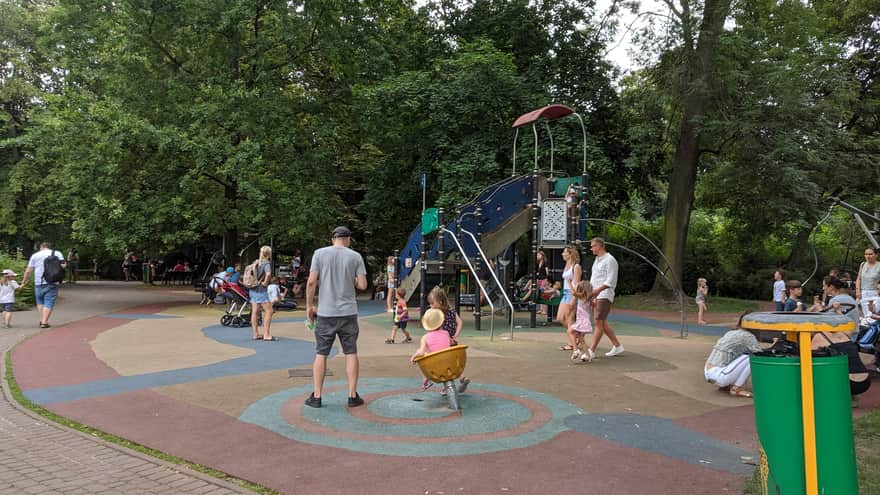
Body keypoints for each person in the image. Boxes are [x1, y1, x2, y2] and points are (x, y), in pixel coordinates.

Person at [305, 226, 367, 408]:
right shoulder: (355, 256)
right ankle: (352, 395)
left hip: (325, 313)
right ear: (348, 239)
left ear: (333, 238)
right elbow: (363, 285)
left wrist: (309, 306)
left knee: (321, 353)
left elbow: (311, 282)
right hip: (348, 312)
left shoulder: (319, 254)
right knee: (351, 352)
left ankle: (316, 396)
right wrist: (352, 279)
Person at [704, 313, 762, 397]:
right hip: (720, 376)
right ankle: (736, 388)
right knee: (752, 357)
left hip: (708, 373)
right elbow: (759, 354)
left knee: (740, 355)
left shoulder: (731, 332)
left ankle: (726, 385)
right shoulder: (748, 336)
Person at [586, 238, 624, 359]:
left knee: (598, 322)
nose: (591, 248)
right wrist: (591, 292)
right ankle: (617, 346)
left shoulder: (610, 260)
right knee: (601, 322)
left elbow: (611, 281)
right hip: (595, 294)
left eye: (592, 246)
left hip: (604, 295)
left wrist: (597, 291)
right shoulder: (597, 259)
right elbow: (594, 278)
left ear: (599, 246)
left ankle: (591, 350)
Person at [811, 330, 871, 405]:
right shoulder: (844, 334)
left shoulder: (819, 337)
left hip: (848, 382)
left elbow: (809, 359)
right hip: (865, 381)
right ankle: (853, 396)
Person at [428, 286, 469, 392]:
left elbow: (433, 327)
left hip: (443, 343)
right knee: (453, 363)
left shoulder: (438, 315)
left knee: (444, 366)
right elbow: (460, 322)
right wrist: (455, 335)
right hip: (452, 341)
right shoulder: (452, 311)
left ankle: (446, 388)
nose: (431, 306)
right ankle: (462, 377)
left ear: (440, 302)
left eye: (432, 303)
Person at [21, 242, 66, 328]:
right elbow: (63, 265)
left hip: (38, 282)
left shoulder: (35, 255)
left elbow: (28, 270)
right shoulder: (57, 253)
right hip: (53, 281)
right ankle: (44, 321)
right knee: (49, 301)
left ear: (41, 247)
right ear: (49, 247)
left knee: (40, 301)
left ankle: (43, 320)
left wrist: (24, 281)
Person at [411, 308, 452, 391]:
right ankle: (445, 387)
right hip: (449, 365)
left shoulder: (425, 338)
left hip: (433, 367)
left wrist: (414, 357)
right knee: (442, 355)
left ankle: (426, 381)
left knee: (422, 356)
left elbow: (421, 352)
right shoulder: (446, 333)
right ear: (441, 323)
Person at [557, 245, 581, 351]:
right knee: (560, 318)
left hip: (571, 294)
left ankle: (571, 343)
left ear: (570, 254)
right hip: (565, 293)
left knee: (569, 319)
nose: (562, 254)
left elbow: (577, 284)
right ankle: (576, 335)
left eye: (564, 252)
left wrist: (574, 298)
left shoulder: (576, 267)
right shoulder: (567, 264)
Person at [249, 246, 276, 341]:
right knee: (269, 311)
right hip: (261, 290)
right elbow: (268, 274)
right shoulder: (266, 263)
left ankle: (255, 334)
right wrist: (265, 282)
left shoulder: (256, 263)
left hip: (253, 289)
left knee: (255, 312)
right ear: (269, 254)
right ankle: (266, 334)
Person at [567, 280, 594, 362]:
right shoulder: (588, 297)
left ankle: (575, 350)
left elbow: (573, 293)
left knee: (570, 331)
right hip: (584, 320)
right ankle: (588, 356)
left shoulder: (582, 296)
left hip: (582, 320)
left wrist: (569, 283)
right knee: (581, 339)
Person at [520, 250, 550, 315]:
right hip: (539, 279)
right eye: (537, 255)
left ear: (542, 256)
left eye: (539, 255)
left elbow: (547, 272)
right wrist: (537, 273)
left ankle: (524, 298)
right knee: (531, 282)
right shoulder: (538, 263)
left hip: (543, 280)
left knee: (543, 294)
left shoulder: (545, 263)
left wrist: (546, 280)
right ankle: (524, 290)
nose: (537, 256)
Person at [856, 247, 880, 317]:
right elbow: (859, 278)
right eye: (866, 254)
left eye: (870, 254)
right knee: (866, 316)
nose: (868, 256)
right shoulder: (863, 264)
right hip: (863, 293)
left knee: (876, 314)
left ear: (876, 255)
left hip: (876, 293)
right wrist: (858, 291)